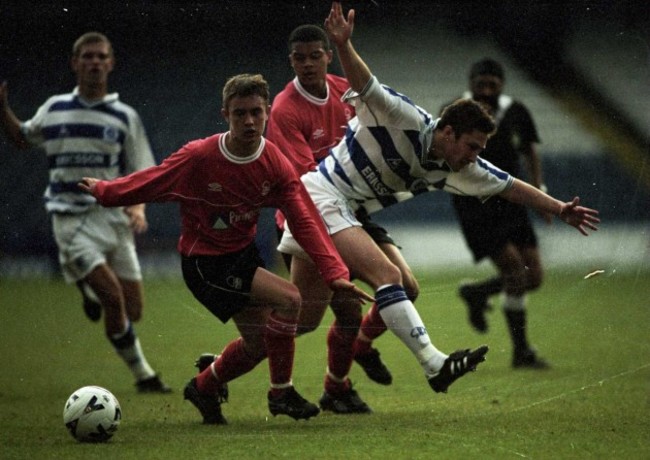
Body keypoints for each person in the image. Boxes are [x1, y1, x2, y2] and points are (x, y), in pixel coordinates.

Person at [278, 1, 599, 410]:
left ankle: (219, 367)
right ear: (447, 131)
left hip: (352, 209)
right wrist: (343, 44)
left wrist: (558, 207)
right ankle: (433, 363)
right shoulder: (404, 117)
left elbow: (509, 185)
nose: (474, 157)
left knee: (305, 318)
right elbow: (366, 82)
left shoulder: (458, 163)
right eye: (471, 147)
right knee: (388, 276)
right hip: (321, 195)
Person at [79, 73, 373, 425]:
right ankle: (281, 393)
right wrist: (106, 191)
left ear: (267, 113)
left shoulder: (275, 163)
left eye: (256, 113)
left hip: (240, 256)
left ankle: (204, 386)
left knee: (261, 344)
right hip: (205, 263)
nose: (249, 121)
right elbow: (153, 180)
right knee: (291, 299)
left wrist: (335, 274)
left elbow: (305, 220)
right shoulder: (200, 157)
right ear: (225, 115)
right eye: (240, 114)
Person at [0, 32, 170, 393]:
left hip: (113, 217)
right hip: (71, 218)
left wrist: (138, 208)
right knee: (113, 298)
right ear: (75, 63)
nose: (94, 62)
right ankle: (145, 377)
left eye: (101, 56)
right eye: (87, 56)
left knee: (133, 310)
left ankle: (84, 287)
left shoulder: (125, 117)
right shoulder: (55, 108)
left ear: (110, 63)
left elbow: (142, 170)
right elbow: (21, 137)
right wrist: (2, 110)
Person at [265, 24, 418, 392]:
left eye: (315, 56)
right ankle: (239, 352)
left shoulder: (343, 90)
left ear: (327, 56)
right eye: (299, 58)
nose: (307, 64)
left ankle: (357, 355)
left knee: (405, 288)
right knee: (306, 320)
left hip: (352, 211)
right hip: (309, 218)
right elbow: (309, 183)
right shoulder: (285, 109)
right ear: (291, 61)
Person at [448, 58, 552, 368]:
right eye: (480, 84)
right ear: (471, 84)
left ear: (501, 85)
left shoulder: (515, 111)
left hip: (512, 200)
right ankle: (521, 352)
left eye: (492, 85)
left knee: (533, 276)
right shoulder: (457, 111)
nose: (486, 91)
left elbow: (529, 151)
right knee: (515, 272)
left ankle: (476, 292)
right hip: (475, 205)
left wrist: (540, 193)